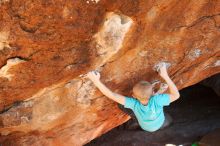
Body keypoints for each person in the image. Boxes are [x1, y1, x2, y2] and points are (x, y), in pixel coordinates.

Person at [86, 63, 180, 132]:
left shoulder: (133, 103)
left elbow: (112, 95)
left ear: (133, 96)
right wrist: (165, 75)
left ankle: (137, 117)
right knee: (159, 106)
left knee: (121, 105)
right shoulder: (157, 100)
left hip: (145, 126)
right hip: (159, 122)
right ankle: (158, 93)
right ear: (152, 92)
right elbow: (176, 95)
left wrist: (96, 81)